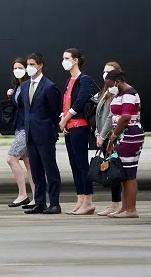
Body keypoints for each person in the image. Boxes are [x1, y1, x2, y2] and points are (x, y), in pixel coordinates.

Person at [21, 53, 62, 215]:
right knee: (36, 170)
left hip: (45, 133)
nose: (28, 67)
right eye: (27, 64)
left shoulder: (49, 86)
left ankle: (54, 203)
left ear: (40, 65)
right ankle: (39, 202)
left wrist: (50, 130)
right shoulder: (24, 86)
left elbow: (54, 111)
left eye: (32, 64)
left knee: (50, 168)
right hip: (30, 133)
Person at [58, 48, 95, 215]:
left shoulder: (84, 80)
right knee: (74, 164)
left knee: (82, 164)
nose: (63, 61)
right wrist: (63, 118)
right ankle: (80, 198)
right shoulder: (69, 80)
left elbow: (80, 101)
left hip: (79, 125)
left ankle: (88, 201)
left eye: (67, 58)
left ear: (76, 60)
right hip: (69, 126)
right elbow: (65, 102)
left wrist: (65, 118)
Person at [105, 68, 143, 218]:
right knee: (123, 172)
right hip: (122, 135)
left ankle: (131, 209)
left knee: (129, 173)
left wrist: (113, 136)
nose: (109, 88)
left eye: (110, 84)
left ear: (118, 81)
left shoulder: (129, 93)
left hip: (130, 135)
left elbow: (126, 116)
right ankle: (124, 207)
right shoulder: (121, 93)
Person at [94, 61, 122, 217]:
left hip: (112, 137)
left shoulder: (117, 92)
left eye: (109, 72)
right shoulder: (107, 90)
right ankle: (115, 203)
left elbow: (111, 117)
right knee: (112, 171)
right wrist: (98, 133)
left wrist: (103, 135)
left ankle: (117, 204)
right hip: (104, 136)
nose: (105, 74)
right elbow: (100, 114)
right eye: (104, 71)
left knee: (115, 170)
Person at [5, 58, 33, 208]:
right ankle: (35, 196)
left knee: (11, 158)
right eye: (15, 68)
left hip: (26, 128)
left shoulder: (29, 86)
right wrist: (11, 96)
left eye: (20, 67)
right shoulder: (18, 87)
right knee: (28, 162)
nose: (17, 70)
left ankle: (22, 194)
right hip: (19, 127)